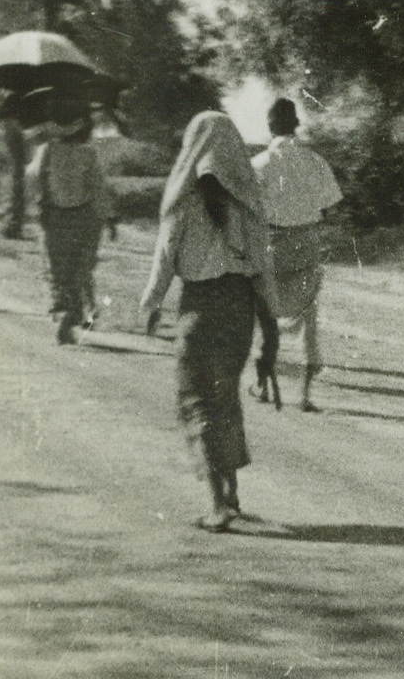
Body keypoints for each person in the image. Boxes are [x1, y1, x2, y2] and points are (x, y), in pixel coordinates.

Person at [140, 111, 276, 532]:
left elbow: (164, 259)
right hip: (239, 309)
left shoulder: (182, 200)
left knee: (196, 400)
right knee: (225, 397)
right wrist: (270, 323)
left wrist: (152, 304)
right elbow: (263, 269)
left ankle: (218, 504)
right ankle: (231, 493)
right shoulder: (249, 204)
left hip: (198, 308)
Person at [250, 98, 343, 413]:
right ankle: (305, 395)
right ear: (296, 125)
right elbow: (330, 207)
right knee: (308, 313)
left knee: (264, 313)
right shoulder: (315, 162)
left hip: (269, 242)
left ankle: (263, 385)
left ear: (270, 126)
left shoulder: (259, 164)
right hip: (305, 239)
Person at [27, 110, 112, 345]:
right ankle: (72, 315)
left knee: (57, 269)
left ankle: (64, 311)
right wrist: (109, 218)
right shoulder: (88, 153)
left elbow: (32, 179)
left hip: (54, 216)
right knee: (78, 268)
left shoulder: (47, 150)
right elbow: (98, 189)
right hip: (83, 217)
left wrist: (40, 200)